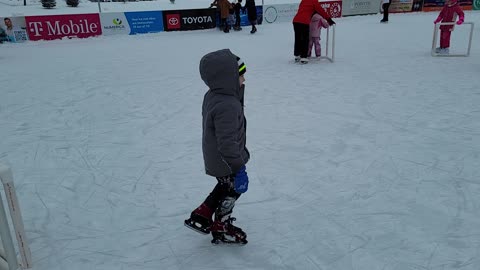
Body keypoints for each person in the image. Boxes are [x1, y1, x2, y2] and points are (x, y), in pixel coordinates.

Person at [184, 49, 250, 245]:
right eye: (241, 74)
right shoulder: (228, 104)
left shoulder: (214, 95)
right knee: (233, 189)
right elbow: (227, 142)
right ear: (226, 78)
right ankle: (221, 225)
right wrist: (239, 168)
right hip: (226, 159)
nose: (244, 79)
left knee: (224, 185)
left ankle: (203, 212)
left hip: (216, 155)